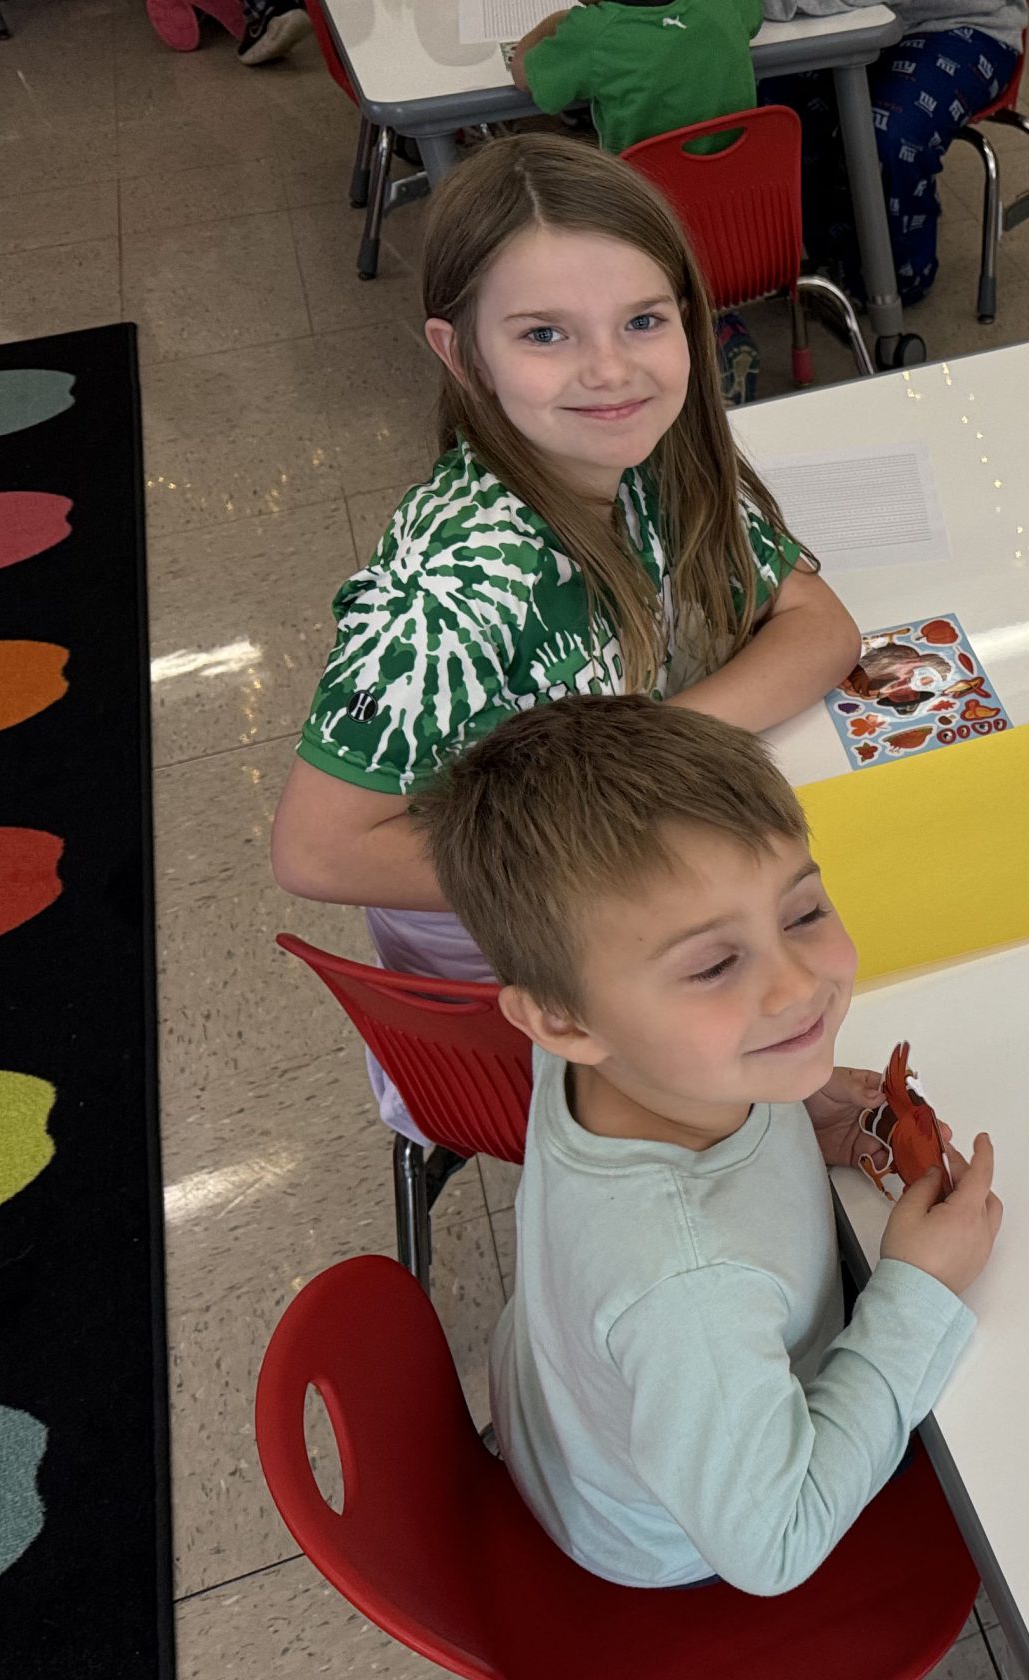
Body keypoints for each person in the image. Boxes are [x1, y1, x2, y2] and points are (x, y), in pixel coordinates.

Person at [271, 135, 862, 1146]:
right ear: (462, 355)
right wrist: (593, 838)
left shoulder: (648, 460)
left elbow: (821, 627)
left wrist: (643, 759)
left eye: (643, 320)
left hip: (663, 910)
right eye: (545, 334)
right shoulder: (458, 583)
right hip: (539, 998)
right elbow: (316, 852)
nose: (610, 369)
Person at [413, 694, 1002, 1592]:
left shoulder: (615, 1055)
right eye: (715, 964)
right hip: (654, 1532)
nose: (800, 985)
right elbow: (772, 1548)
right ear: (561, 1018)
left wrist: (795, 1110)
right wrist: (917, 1293)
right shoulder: (690, 1292)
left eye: (802, 911)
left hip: (576, 1409)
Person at [509, 0, 770, 401]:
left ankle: (647, 348)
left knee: (548, 201)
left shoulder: (593, 32)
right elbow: (752, 15)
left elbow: (528, 76)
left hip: (638, 228)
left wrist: (552, 25)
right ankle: (717, 329)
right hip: (738, 226)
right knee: (693, 231)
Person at [756, 0, 1028, 309]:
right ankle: (832, 258)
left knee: (891, 136)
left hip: (966, 23)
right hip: (853, 22)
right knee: (777, 113)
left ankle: (900, 282)